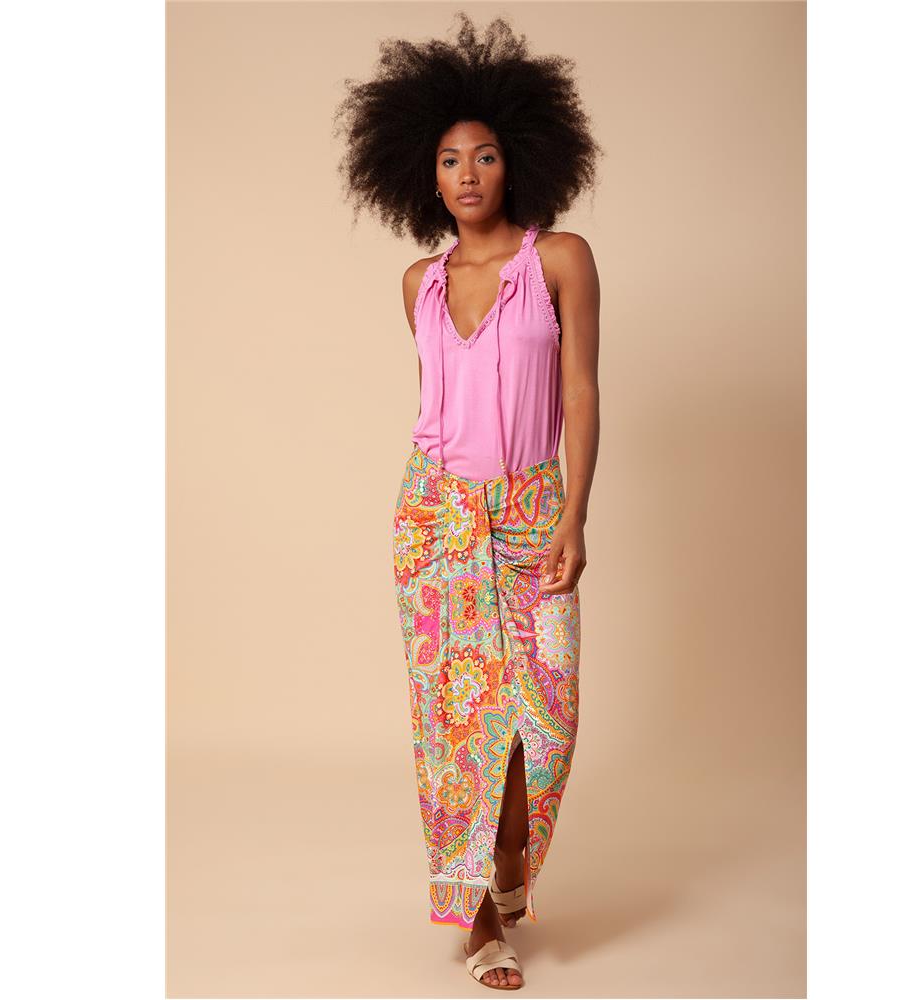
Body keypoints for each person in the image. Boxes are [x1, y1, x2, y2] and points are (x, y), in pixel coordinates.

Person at [334, 12, 601, 990]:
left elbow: (581, 392)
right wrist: (435, 513)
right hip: (437, 517)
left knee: (545, 722)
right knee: (457, 728)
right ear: (426, 175)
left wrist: (574, 515)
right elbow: (436, 410)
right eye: (449, 160)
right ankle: (482, 921)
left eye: (484, 155)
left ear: (517, 159)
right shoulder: (418, 282)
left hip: (532, 510)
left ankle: (508, 859)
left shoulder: (560, 258)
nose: (469, 173)